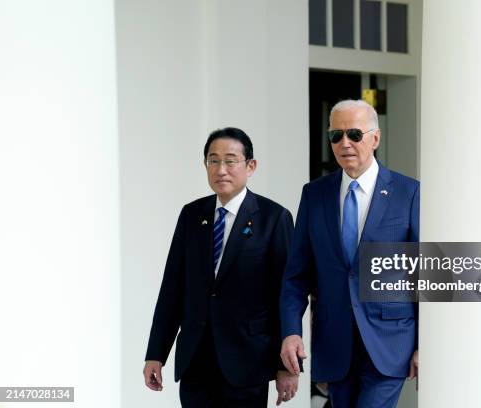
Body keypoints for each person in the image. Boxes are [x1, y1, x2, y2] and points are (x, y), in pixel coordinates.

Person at [143, 127, 298, 407]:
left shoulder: (274, 218)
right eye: (213, 161)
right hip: (196, 361)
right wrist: (156, 353)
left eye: (230, 160)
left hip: (247, 363)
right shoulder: (192, 215)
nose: (221, 169)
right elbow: (172, 289)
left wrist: (286, 365)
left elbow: (286, 295)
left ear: (251, 166)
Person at [280, 100, 420, 408]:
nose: (345, 143)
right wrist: (291, 332)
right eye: (336, 135)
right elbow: (296, 276)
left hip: (390, 342)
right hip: (334, 343)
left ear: (375, 138)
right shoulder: (313, 195)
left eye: (354, 134)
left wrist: (425, 344)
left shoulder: (408, 193)